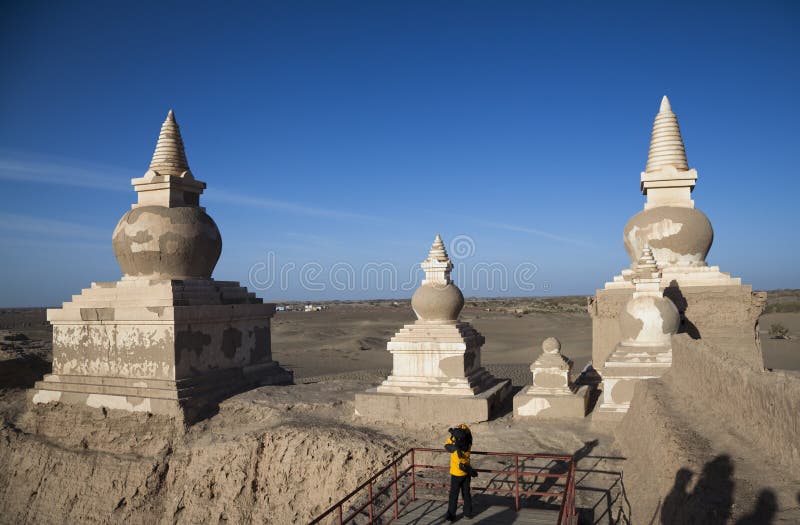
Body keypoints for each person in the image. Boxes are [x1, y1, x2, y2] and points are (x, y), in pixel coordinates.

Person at [444, 423, 477, 521]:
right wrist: (462, 426)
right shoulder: (469, 442)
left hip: (456, 474)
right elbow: (468, 432)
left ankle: (451, 515)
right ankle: (467, 513)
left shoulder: (455, 448)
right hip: (466, 473)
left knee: (453, 495)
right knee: (466, 493)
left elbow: (446, 445)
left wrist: (453, 434)